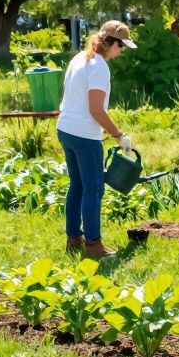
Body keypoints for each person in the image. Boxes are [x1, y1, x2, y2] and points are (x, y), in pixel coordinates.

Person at [55, 18, 136, 258]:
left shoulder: (79, 58)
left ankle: (73, 239)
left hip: (66, 129)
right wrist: (119, 136)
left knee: (77, 186)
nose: (121, 52)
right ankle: (93, 245)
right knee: (94, 189)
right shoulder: (99, 67)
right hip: (84, 136)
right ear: (112, 43)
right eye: (122, 46)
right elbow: (96, 110)